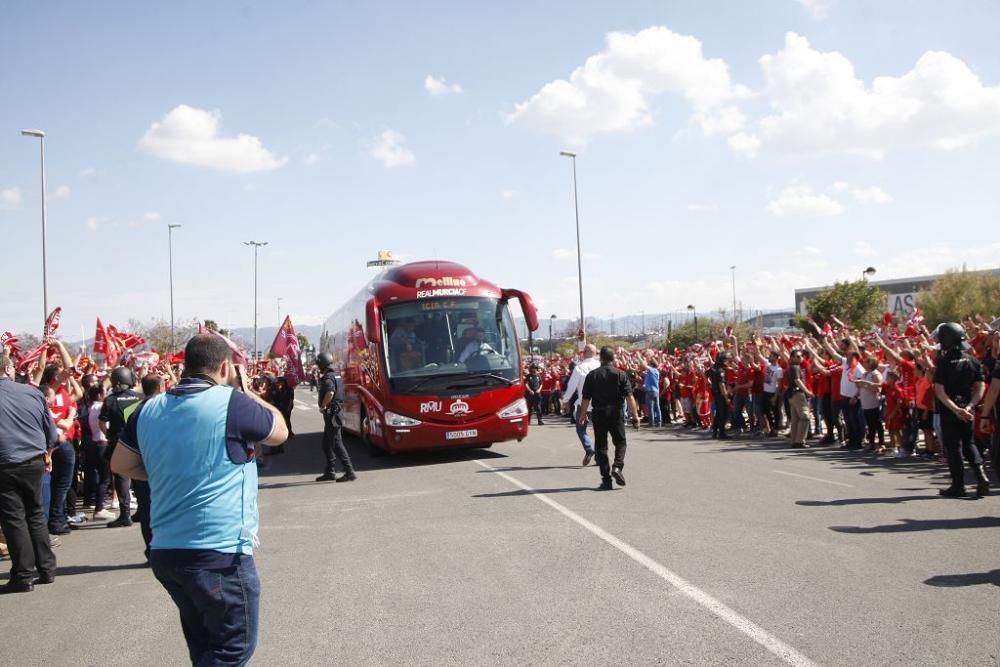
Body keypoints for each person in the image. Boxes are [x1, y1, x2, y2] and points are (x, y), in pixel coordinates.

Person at [110, 334, 288, 665]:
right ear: (225, 367)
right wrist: (245, 388)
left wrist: (169, 472)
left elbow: (120, 464)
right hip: (218, 554)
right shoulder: (231, 402)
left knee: (205, 645)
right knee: (232, 648)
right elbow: (279, 431)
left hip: (166, 552)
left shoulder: (148, 408)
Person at [0, 353, 58, 594]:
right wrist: (46, 452)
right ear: (9, 369)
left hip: (6, 463)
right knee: (34, 513)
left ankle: (24, 574)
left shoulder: (31, 391)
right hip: (34, 460)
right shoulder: (33, 392)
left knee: (14, 518)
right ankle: (46, 568)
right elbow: (52, 433)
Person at [932, 323, 989, 498]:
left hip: (951, 411)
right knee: (969, 443)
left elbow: (939, 391)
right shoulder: (972, 360)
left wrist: (956, 410)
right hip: (968, 409)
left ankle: (958, 485)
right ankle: (981, 476)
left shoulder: (943, 362)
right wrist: (970, 406)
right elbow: (981, 387)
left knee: (954, 447)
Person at [577, 346, 640, 490]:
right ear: (613, 359)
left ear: (601, 359)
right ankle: (617, 467)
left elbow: (585, 398)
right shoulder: (621, 374)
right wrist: (635, 417)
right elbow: (630, 397)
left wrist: (582, 414)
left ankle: (606, 480)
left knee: (601, 446)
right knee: (620, 442)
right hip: (616, 413)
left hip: (598, 413)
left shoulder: (592, 375)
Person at [100, 367, 143, 527]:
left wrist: (108, 435)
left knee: (121, 477)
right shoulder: (140, 397)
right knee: (139, 476)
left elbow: (101, 422)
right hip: (139, 441)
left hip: (119, 442)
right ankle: (142, 510)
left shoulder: (110, 400)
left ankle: (125, 515)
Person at [315, 352, 356, 482]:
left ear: (322, 364)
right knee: (326, 444)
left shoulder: (328, 377)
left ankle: (349, 471)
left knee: (336, 443)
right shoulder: (336, 375)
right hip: (334, 412)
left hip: (332, 413)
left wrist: (323, 405)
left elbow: (330, 392)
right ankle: (330, 471)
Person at [562, 344, 600, 466]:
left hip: (583, 403)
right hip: (599, 403)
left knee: (580, 428)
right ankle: (599, 457)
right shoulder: (600, 366)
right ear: (595, 353)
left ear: (584, 353)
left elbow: (572, 386)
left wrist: (565, 400)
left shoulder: (580, 368)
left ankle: (589, 448)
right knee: (599, 431)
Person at [785, 349, 813, 448]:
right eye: (797, 356)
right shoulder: (795, 367)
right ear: (792, 357)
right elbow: (797, 380)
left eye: (800, 356)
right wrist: (807, 391)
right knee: (805, 417)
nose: (800, 358)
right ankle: (800, 441)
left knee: (796, 419)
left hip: (792, 395)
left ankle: (794, 440)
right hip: (797, 394)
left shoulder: (792, 367)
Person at [708, 353, 730, 439]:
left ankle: (715, 431)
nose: (727, 361)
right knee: (723, 414)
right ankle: (721, 432)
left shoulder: (713, 369)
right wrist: (726, 397)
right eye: (726, 360)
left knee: (718, 414)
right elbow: (722, 385)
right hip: (721, 395)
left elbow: (706, 375)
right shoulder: (720, 370)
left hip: (715, 393)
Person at [643, 360, 661, 427]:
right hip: (655, 391)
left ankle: (652, 423)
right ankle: (658, 422)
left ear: (652, 365)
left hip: (650, 391)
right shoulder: (654, 372)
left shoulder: (653, 370)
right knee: (657, 407)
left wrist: (639, 357)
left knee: (651, 407)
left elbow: (645, 365)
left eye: (649, 364)